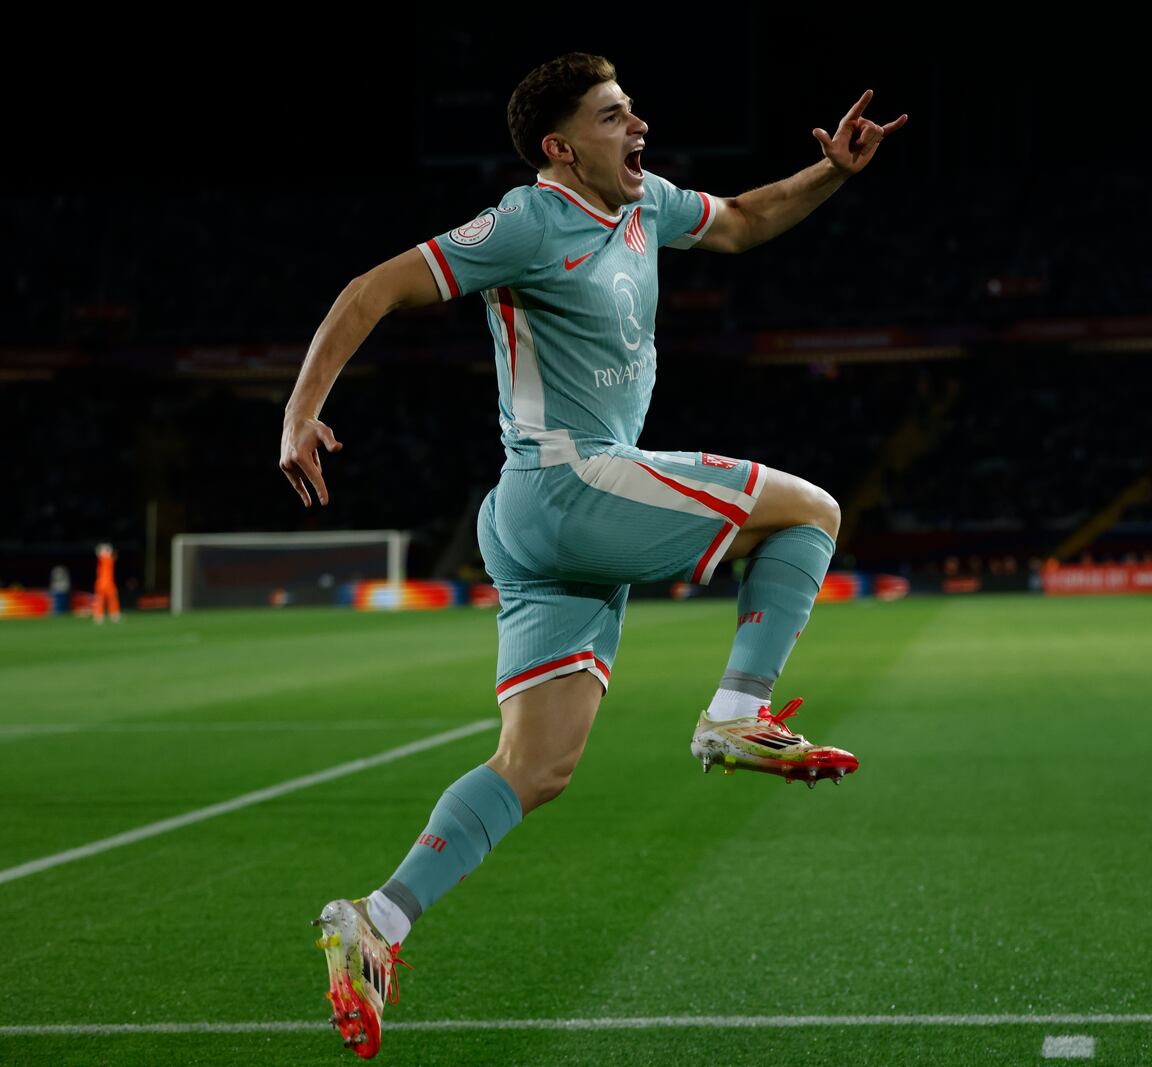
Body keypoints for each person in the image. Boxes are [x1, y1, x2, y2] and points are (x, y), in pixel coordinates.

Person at [278, 53, 906, 1060]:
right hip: (570, 483)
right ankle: (737, 713)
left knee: (537, 765)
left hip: (542, 523)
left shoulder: (644, 202)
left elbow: (743, 220)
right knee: (809, 512)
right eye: (615, 116)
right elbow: (372, 287)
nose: (640, 125)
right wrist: (303, 410)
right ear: (562, 147)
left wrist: (832, 170)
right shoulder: (527, 220)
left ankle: (375, 920)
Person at [92, 543, 121, 624]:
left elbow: (114, 556)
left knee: (111, 599)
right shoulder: (103, 559)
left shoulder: (109, 560)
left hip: (107, 583)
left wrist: (108, 550)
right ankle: (99, 616)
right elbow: (99, 553)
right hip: (103, 583)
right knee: (101, 600)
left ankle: (112, 615)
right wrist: (104, 550)